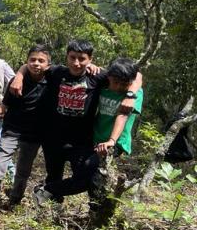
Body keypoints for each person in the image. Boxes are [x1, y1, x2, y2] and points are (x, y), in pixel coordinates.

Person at [28, 40, 142, 205]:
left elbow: (136, 75)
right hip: (53, 138)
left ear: (90, 59)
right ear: (66, 57)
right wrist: (18, 76)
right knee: (54, 174)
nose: (76, 63)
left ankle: (92, 210)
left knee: (85, 178)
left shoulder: (99, 76)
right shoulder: (57, 72)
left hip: (82, 140)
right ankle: (52, 209)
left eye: (81, 59)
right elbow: (32, 67)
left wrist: (131, 95)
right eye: (72, 57)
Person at [0, 45, 51, 205]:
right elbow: (5, 105)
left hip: (34, 134)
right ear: (26, 62)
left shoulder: (51, 80)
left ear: (48, 65)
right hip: (12, 129)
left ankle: (15, 198)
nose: (36, 63)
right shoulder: (16, 82)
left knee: (23, 170)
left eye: (41, 61)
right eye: (32, 60)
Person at [90, 58, 144, 225]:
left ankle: (99, 216)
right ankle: (95, 213)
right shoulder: (104, 83)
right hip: (95, 137)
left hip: (116, 142)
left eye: (124, 84)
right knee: (94, 176)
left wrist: (112, 141)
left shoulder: (135, 95)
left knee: (96, 173)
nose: (119, 87)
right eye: (116, 82)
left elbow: (122, 115)